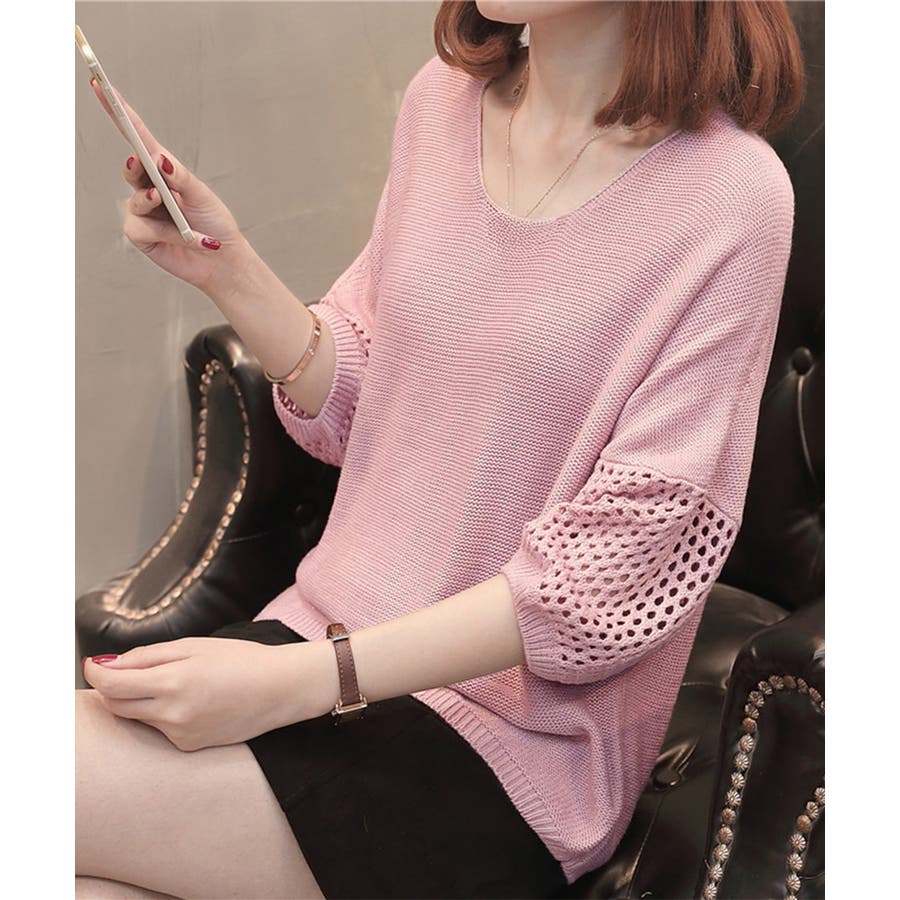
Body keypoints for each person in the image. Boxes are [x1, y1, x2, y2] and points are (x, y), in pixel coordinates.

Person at [76, 2, 805, 898]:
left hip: (507, 750)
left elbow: (606, 580)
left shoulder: (734, 197)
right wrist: (227, 268)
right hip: (318, 644)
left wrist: (300, 682)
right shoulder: (443, 103)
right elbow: (363, 396)